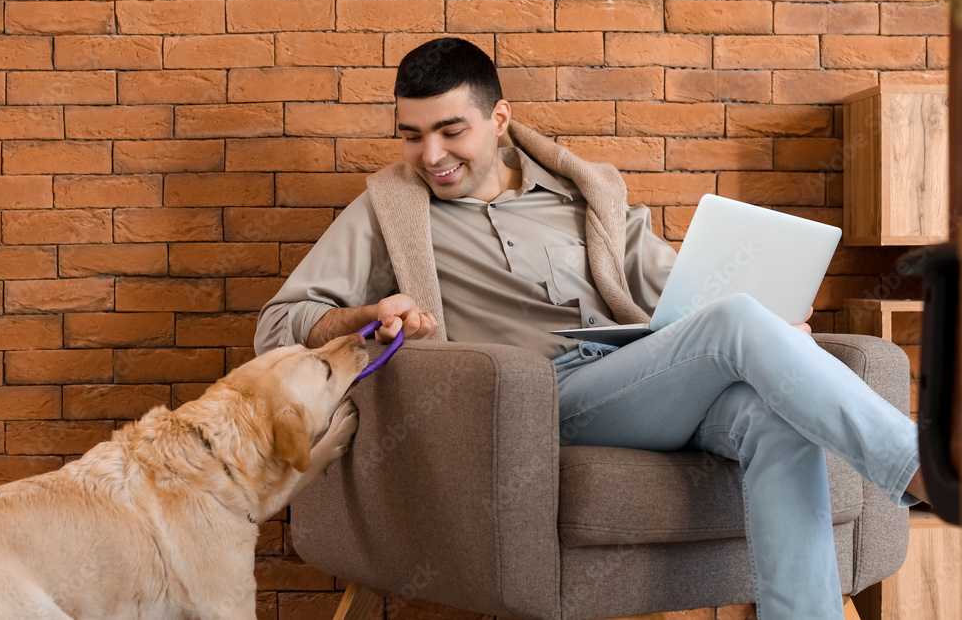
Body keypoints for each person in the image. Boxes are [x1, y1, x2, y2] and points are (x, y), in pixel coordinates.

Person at [255, 37, 927, 619]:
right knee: (736, 324)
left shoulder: (586, 198)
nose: (430, 153)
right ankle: (925, 469)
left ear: (499, 119)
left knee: (774, 416)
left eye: (450, 130)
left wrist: (777, 328)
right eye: (411, 134)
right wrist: (369, 314)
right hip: (540, 401)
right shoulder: (386, 211)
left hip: (642, 377)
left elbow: (690, 297)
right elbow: (279, 325)